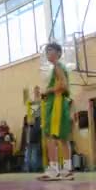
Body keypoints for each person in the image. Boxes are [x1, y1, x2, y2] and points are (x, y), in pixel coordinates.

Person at [38, 42, 73, 181]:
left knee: (49, 136)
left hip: (57, 104)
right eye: (47, 52)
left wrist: (48, 90)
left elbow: (63, 85)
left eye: (51, 51)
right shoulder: (59, 67)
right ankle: (67, 169)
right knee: (63, 138)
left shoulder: (58, 66)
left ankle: (53, 169)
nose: (48, 54)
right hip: (61, 103)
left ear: (58, 53)